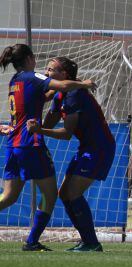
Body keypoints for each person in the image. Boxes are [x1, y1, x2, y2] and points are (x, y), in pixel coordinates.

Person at [0, 44, 95, 251]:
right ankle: (32, 242)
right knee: (51, 195)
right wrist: (84, 83)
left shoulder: (15, 81)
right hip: (31, 145)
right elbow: (63, 86)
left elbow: (41, 97)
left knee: (8, 197)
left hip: (13, 144)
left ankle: (33, 242)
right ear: (30, 58)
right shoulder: (32, 76)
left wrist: (52, 92)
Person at [28, 56, 114, 252]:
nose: (47, 73)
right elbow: (48, 123)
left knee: (73, 193)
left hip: (99, 148)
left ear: (64, 75)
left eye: (51, 70)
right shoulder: (60, 95)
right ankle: (87, 241)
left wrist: (38, 131)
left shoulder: (74, 94)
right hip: (87, 148)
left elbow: (66, 134)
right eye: (47, 69)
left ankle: (92, 242)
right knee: (65, 194)